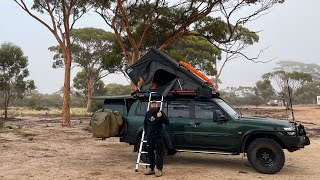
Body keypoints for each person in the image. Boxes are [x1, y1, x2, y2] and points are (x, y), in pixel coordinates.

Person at [144, 100, 169, 177]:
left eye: (155, 104)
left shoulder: (160, 113)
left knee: (159, 154)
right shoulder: (148, 113)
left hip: (158, 137)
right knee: (150, 153)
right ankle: (151, 168)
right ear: (150, 105)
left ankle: (159, 169)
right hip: (150, 137)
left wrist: (161, 116)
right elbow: (145, 123)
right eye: (152, 104)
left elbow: (167, 122)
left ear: (157, 105)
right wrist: (146, 133)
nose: (154, 106)